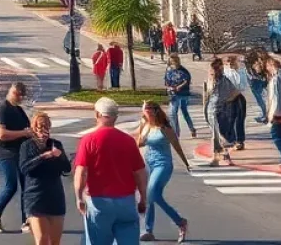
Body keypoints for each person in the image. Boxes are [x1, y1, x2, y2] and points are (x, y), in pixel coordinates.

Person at [73, 97, 147, 245]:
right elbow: (139, 172)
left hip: (99, 201)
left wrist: (79, 197)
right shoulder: (128, 141)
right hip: (125, 201)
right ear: (116, 117)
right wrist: (143, 198)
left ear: (98, 115)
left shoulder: (88, 140)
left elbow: (81, 171)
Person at [136, 101, 189, 243]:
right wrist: (142, 130)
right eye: (143, 112)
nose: (145, 114)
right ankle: (149, 230)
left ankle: (180, 222)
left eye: (147, 111)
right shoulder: (145, 125)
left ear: (154, 111)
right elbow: (139, 143)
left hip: (163, 164)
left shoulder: (165, 128)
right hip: (149, 163)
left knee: (151, 192)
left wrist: (185, 162)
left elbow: (176, 145)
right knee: (152, 196)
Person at [20, 111, 71, 245]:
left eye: (46, 126)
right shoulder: (27, 146)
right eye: (39, 126)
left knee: (55, 241)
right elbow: (25, 168)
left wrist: (60, 156)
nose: (42, 129)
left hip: (55, 197)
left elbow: (67, 169)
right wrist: (44, 156)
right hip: (35, 197)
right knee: (42, 239)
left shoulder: (56, 144)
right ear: (34, 127)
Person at [0, 80, 32, 234]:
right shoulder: (2, 109)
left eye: (20, 95)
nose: (18, 97)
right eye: (15, 93)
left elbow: (28, 129)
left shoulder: (19, 111)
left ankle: (25, 221)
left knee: (26, 186)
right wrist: (24, 133)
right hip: (6, 153)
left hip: (21, 153)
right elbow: (2, 134)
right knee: (11, 184)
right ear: (11, 92)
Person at [203, 58, 239, 167]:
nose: (213, 72)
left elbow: (235, 92)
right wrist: (204, 108)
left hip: (222, 110)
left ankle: (218, 157)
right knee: (216, 135)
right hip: (211, 110)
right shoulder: (208, 81)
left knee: (219, 135)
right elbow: (205, 96)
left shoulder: (224, 80)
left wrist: (226, 101)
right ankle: (222, 156)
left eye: (216, 69)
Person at [163, 55, 196, 138]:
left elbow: (186, 80)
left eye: (175, 62)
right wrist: (169, 87)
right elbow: (166, 81)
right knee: (173, 113)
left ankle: (189, 129)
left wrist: (179, 87)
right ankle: (177, 132)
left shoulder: (183, 70)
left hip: (183, 93)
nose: (174, 64)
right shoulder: (168, 70)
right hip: (173, 94)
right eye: (172, 62)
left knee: (182, 112)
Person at [223, 56, 249, 151]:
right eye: (228, 62)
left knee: (239, 120)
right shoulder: (224, 71)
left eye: (232, 62)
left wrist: (233, 96)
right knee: (228, 119)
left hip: (237, 97)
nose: (230, 64)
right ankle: (229, 139)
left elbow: (242, 86)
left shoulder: (241, 72)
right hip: (226, 97)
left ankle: (239, 141)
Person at [246, 50, 269, 124]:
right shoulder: (253, 64)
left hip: (257, 82)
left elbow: (257, 73)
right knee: (262, 99)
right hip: (257, 81)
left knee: (261, 99)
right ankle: (265, 115)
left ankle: (265, 115)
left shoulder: (255, 63)